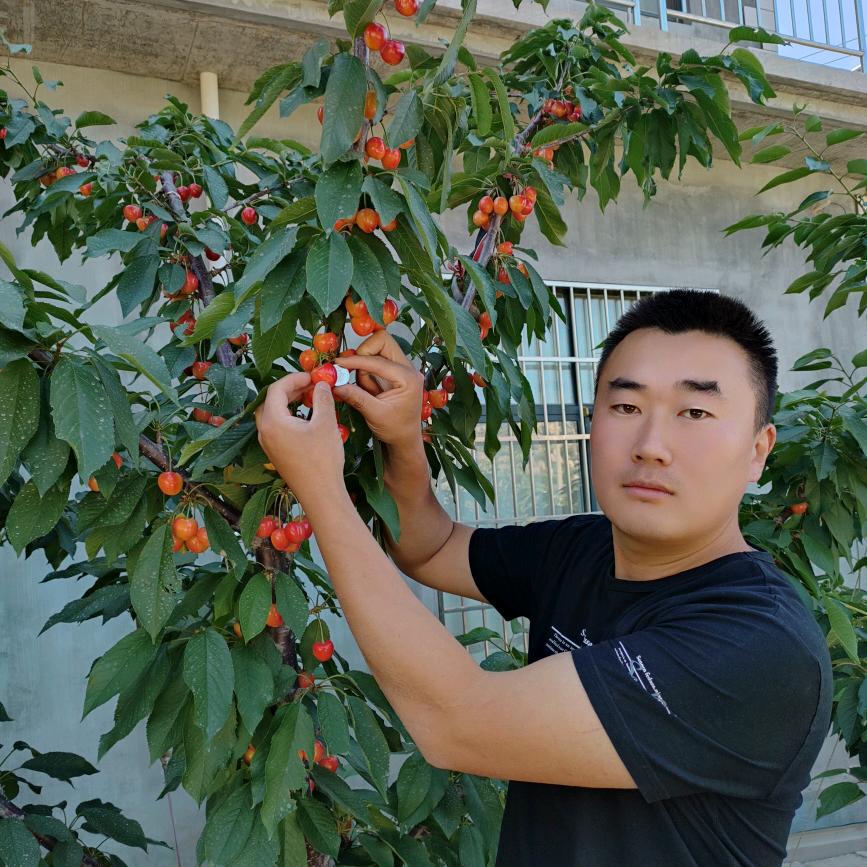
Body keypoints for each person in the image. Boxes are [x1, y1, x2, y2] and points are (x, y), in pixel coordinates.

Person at [254, 289, 832, 867]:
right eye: (626, 407)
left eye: (695, 413)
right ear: (593, 420)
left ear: (759, 450)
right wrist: (404, 437)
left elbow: (454, 721)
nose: (651, 446)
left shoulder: (761, 646)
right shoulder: (581, 549)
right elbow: (430, 547)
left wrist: (321, 489)